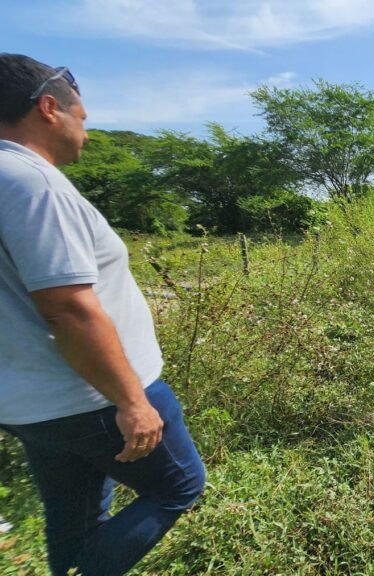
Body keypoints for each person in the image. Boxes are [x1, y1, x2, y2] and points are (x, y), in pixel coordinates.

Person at [0, 54, 205, 576]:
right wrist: (131, 400)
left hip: (30, 402)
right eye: (83, 119)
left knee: (75, 519)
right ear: (49, 108)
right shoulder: (31, 183)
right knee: (179, 485)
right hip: (92, 394)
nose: (86, 133)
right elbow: (68, 307)